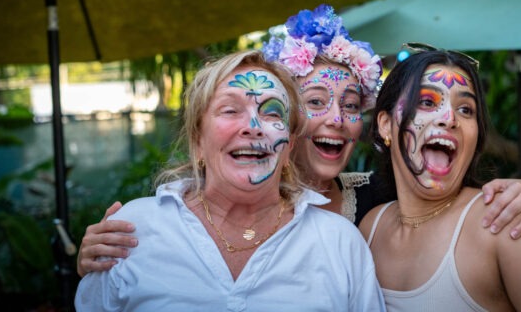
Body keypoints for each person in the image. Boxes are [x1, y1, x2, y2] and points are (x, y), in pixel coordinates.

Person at [77, 5, 521, 277]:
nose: (337, 120)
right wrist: (99, 258)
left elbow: (449, 210)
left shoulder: (382, 196)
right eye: (317, 101)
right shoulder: (202, 210)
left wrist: (519, 191)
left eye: (350, 105)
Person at [75, 50, 385, 311]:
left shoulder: (341, 242)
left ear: (289, 144)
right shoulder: (131, 230)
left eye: (272, 113)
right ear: (197, 139)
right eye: (230, 109)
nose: (253, 126)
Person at [359, 45, 521, 311]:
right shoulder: (369, 228)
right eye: (427, 102)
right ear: (385, 124)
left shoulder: (508, 220)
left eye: (466, 109)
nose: (449, 118)